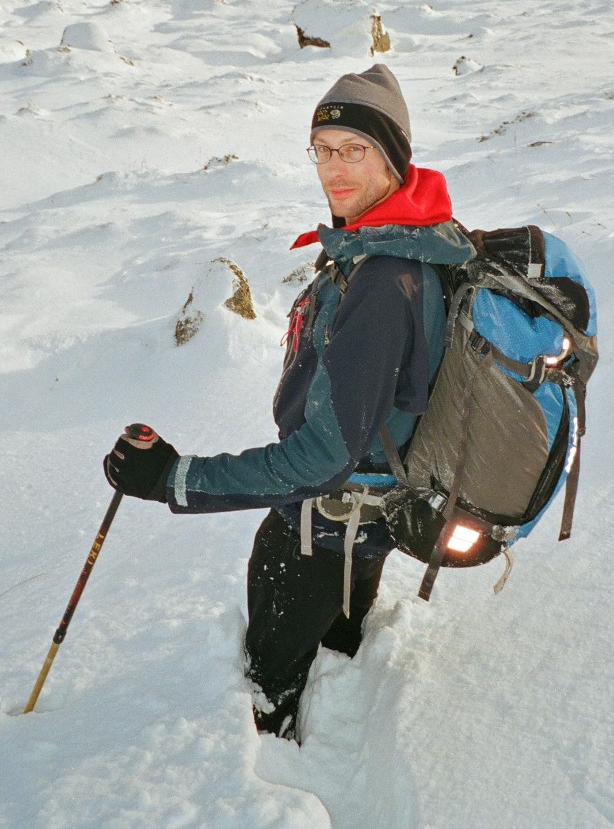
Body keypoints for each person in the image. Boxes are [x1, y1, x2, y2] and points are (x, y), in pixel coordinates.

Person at [103, 63, 474, 741]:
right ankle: (333, 720)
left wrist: (175, 479)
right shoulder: (398, 246)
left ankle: (269, 775)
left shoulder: (383, 282)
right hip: (367, 514)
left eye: (355, 150)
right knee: (336, 641)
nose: (334, 168)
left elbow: (319, 460)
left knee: (265, 686)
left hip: (322, 524)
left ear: (395, 158)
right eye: (323, 150)